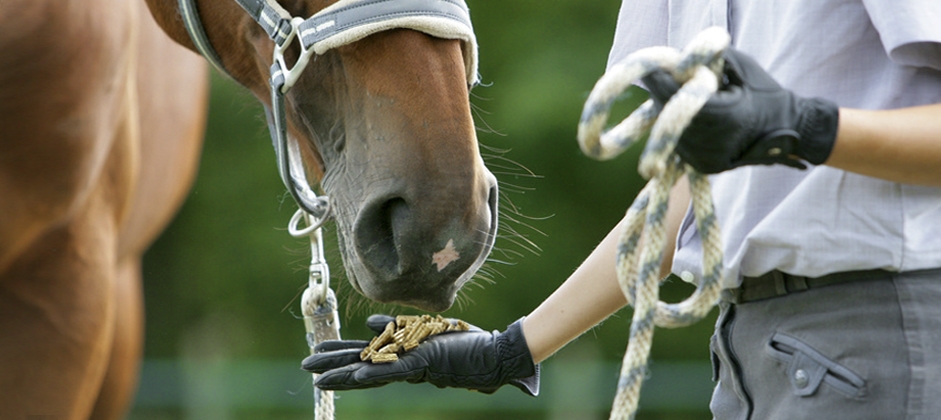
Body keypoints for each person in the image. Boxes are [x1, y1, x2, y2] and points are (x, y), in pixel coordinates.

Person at [303, 1, 941, 418]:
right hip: (753, 354)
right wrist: (511, 350)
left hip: (881, 333)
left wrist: (803, 126)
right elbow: (683, 198)